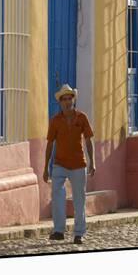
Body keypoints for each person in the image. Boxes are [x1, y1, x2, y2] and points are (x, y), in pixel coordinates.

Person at [43, 84, 96, 244]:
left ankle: (79, 232)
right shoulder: (55, 121)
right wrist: (46, 167)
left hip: (79, 165)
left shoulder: (82, 118)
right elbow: (50, 144)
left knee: (79, 200)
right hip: (59, 165)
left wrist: (92, 162)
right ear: (60, 102)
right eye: (64, 99)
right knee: (58, 197)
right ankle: (59, 230)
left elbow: (88, 140)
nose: (67, 102)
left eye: (69, 98)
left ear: (74, 100)